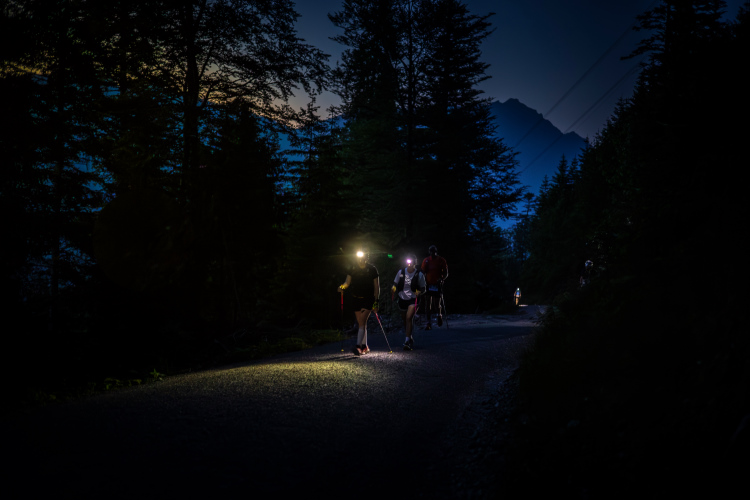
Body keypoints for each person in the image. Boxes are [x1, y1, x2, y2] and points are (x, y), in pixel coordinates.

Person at [339, 251, 380, 355]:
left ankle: (358, 347)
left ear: (366, 258)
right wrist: (342, 287)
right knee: (362, 323)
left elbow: (376, 286)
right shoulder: (353, 268)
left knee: (362, 322)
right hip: (356, 298)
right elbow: (347, 282)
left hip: (368, 299)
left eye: (363, 258)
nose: (361, 260)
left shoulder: (372, 269)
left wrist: (376, 301)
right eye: (359, 258)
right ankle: (365, 346)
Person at [391, 254, 426, 350]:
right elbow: (395, 283)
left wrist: (419, 292)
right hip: (402, 298)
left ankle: (406, 342)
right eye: (408, 262)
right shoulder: (401, 272)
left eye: (411, 262)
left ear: (415, 263)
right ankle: (409, 337)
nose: (409, 264)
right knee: (405, 319)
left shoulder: (419, 274)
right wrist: (393, 288)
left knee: (409, 317)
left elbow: (424, 288)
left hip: (413, 299)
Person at [421, 245, 448, 330]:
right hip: (428, 284)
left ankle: (439, 316)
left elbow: (446, 272)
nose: (432, 253)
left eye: (434, 252)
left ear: (436, 252)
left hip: (437, 284)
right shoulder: (426, 260)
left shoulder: (441, 260)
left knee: (437, 303)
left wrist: (442, 279)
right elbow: (423, 271)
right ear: (429, 252)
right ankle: (428, 322)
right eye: (431, 252)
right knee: (428, 303)